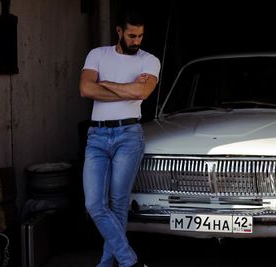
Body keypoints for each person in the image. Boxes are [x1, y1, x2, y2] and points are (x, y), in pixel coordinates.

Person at [79, 8, 160, 267]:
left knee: (118, 203)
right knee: (94, 204)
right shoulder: (97, 55)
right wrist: (128, 89)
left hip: (128, 135)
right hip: (97, 136)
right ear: (119, 31)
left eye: (141, 36)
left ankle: (107, 264)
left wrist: (105, 84)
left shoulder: (149, 60)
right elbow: (84, 88)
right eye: (132, 35)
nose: (137, 41)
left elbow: (142, 93)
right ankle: (130, 262)